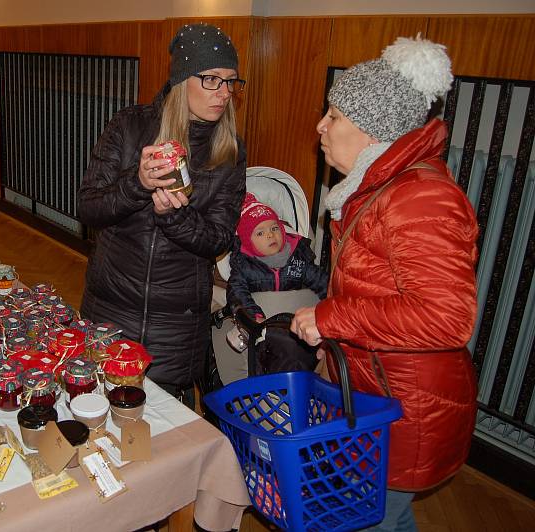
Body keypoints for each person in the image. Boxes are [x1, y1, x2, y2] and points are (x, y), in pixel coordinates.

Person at [291, 36, 478, 531]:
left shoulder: (418, 198)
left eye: (334, 116)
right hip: (386, 393)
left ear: (374, 131)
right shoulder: (374, 188)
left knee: (370, 517)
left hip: (408, 407)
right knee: (381, 515)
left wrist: (332, 317)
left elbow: (446, 318)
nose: (321, 126)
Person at [78, 23, 247, 405]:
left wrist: (174, 218)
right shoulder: (129, 126)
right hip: (110, 309)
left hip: (178, 324)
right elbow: (89, 208)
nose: (224, 93)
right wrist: (137, 184)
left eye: (231, 82)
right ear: (181, 80)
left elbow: (219, 239)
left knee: (164, 437)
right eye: (211, 79)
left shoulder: (229, 150)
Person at [226, 192, 328, 374]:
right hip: (263, 327)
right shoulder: (244, 266)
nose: (270, 235)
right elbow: (237, 291)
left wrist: (330, 307)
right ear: (248, 242)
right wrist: (253, 315)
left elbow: (323, 282)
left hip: (297, 330)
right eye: (260, 232)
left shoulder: (297, 259)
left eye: (274, 228)